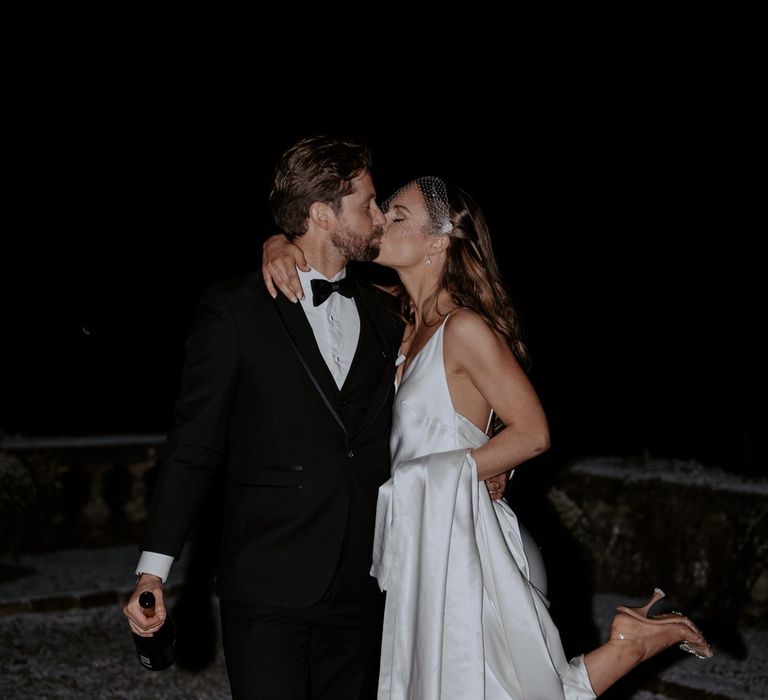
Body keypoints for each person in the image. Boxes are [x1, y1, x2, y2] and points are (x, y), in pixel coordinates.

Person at [262, 176, 712, 698]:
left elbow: (534, 432)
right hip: (430, 542)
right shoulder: (400, 324)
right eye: (381, 210)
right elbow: (323, 281)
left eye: (398, 215)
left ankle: (630, 644)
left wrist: (462, 470)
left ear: (437, 241)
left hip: (471, 545)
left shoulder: (465, 328)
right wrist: (277, 243)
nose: (381, 220)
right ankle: (628, 642)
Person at [124, 135, 408, 699]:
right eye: (369, 202)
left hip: (366, 580)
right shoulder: (236, 310)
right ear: (324, 213)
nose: (380, 216)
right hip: (269, 581)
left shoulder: (388, 311)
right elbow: (193, 445)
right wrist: (153, 569)